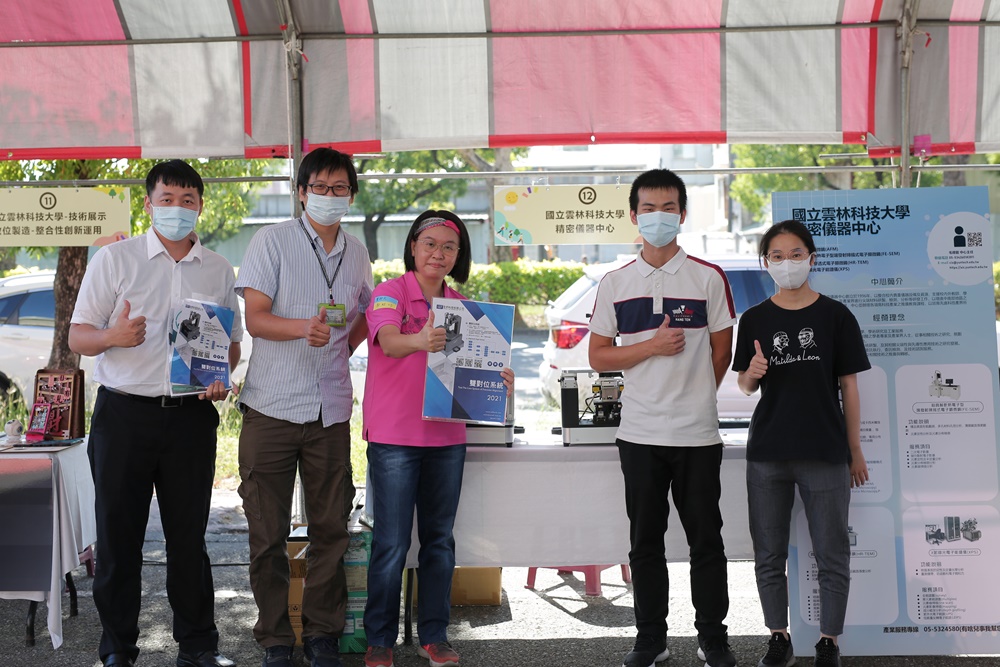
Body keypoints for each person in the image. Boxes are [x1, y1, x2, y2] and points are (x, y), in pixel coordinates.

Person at [69, 159, 241, 667]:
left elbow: (230, 345)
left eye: (188, 201)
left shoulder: (218, 268)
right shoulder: (114, 259)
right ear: (149, 204)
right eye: (167, 199)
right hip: (124, 416)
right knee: (118, 539)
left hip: (191, 418)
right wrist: (113, 336)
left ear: (201, 206)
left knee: (188, 539)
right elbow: (79, 336)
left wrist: (219, 376)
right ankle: (118, 649)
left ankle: (198, 646)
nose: (177, 209)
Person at [588, 169, 737, 667]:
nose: (658, 216)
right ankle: (650, 639)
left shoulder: (708, 277)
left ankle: (713, 637)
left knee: (706, 543)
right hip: (639, 434)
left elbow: (721, 351)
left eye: (668, 207)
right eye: (648, 208)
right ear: (634, 215)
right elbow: (598, 356)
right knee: (645, 544)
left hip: (698, 434)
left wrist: (694, 394)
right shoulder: (615, 282)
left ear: (683, 214)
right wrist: (650, 347)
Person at [235, 148, 373, 667]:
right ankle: (275, 638)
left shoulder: (357, 252)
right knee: (267, 534)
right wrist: (303, 329)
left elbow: (363, 315)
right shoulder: (271, 241)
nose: (330, 196)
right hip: (271, 406)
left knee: (331, 531)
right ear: (301, 192)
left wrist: (340, 349)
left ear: (351, 195)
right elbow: (255, 318)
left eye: (340, 188)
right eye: (320, 187)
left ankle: (321, 635)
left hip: (330, 412)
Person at [361, 210, 514, 667]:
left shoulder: (465, 307)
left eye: (449, 247)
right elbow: (389, 341)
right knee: (390, 543)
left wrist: (499, 380)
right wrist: (421, 339)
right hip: (394, 436)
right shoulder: (389, 292)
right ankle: (379, 640)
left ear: (458, 255)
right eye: (430, 243)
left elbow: (474, 374)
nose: (438, 253)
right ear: (413, 246)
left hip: (446, 438)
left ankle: (435, 635)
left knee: (439, 542)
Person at [732, 220, 870, 667]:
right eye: (777, 256)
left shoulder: (835, 316)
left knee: (832, 552)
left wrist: (855, 449)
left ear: (812, 258)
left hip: (824, 451)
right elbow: (745, 386)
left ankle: (829, 641)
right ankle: (778, 637)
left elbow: (849, 387)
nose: (787, 263)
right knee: (768, 554)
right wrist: (751, 373)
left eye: (795, 254)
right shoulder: (755, 319)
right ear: (765, 263)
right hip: (768, 453)